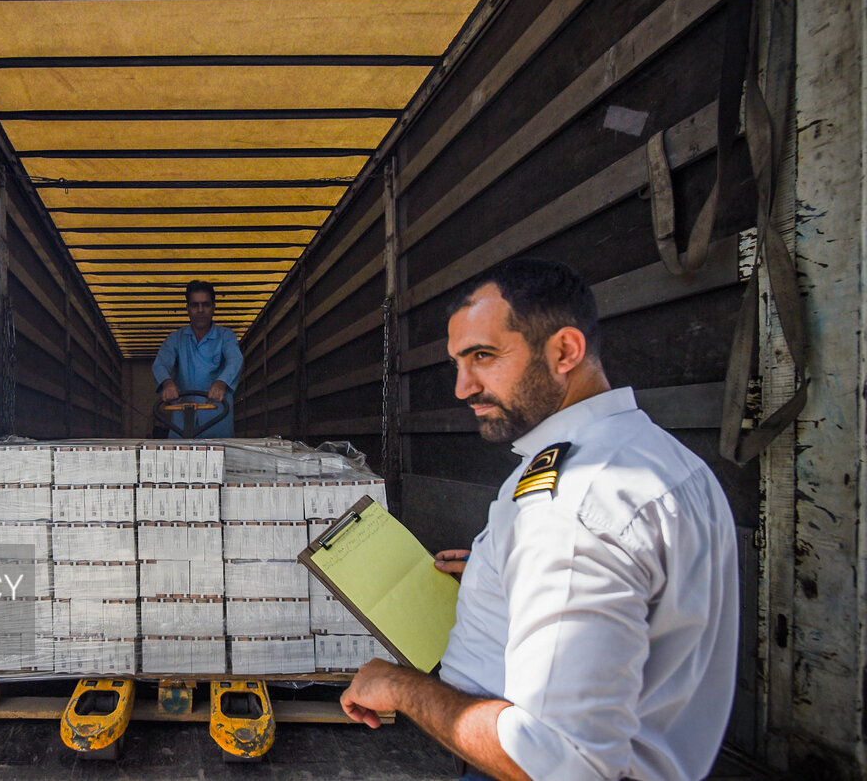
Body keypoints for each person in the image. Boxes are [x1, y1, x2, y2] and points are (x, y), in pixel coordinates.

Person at [340, 259, 739, 781]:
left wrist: (399, 687)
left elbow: (557, 761)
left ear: (564, 351)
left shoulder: (573, 502)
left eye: (483, 356)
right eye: (458, 362)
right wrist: (498, 569)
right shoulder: (667, 461)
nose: (463, 387)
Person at [151, 280, 243, 438]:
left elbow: (235, 360)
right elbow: (160, 364)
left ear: (213, 307)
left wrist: (221, 383)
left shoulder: (226, 336)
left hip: (217, 422)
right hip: (181, 424)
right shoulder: (175, 339)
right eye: (195, 305)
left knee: (218, 460)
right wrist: (168, 383)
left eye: (206, 305)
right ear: (187, 308)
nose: (200, 310)